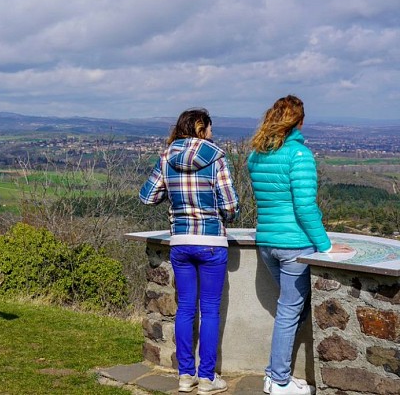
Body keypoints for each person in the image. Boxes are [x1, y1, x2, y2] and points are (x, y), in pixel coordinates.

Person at [248, 95, 352, 395]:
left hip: (266, 241)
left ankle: (278, 375)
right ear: (300, 122)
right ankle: (277, 379)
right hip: (295, 245)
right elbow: (305, 207)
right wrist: (326, 246)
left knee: (293, 306)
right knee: (290, 309)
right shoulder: (300, 155)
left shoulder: (255, 155)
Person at [140, 108, 239, 395]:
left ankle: (185, 375)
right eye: (209, 128)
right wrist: (221, 213)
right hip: (210, 242)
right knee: (209, 311)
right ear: (200, 128)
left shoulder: (166, 156)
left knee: (185, 309)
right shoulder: (216, 157)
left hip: (181, 242)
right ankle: (207, 378)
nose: (211, 133)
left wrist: (172, 195)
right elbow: (230, 206)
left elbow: (147, 197)